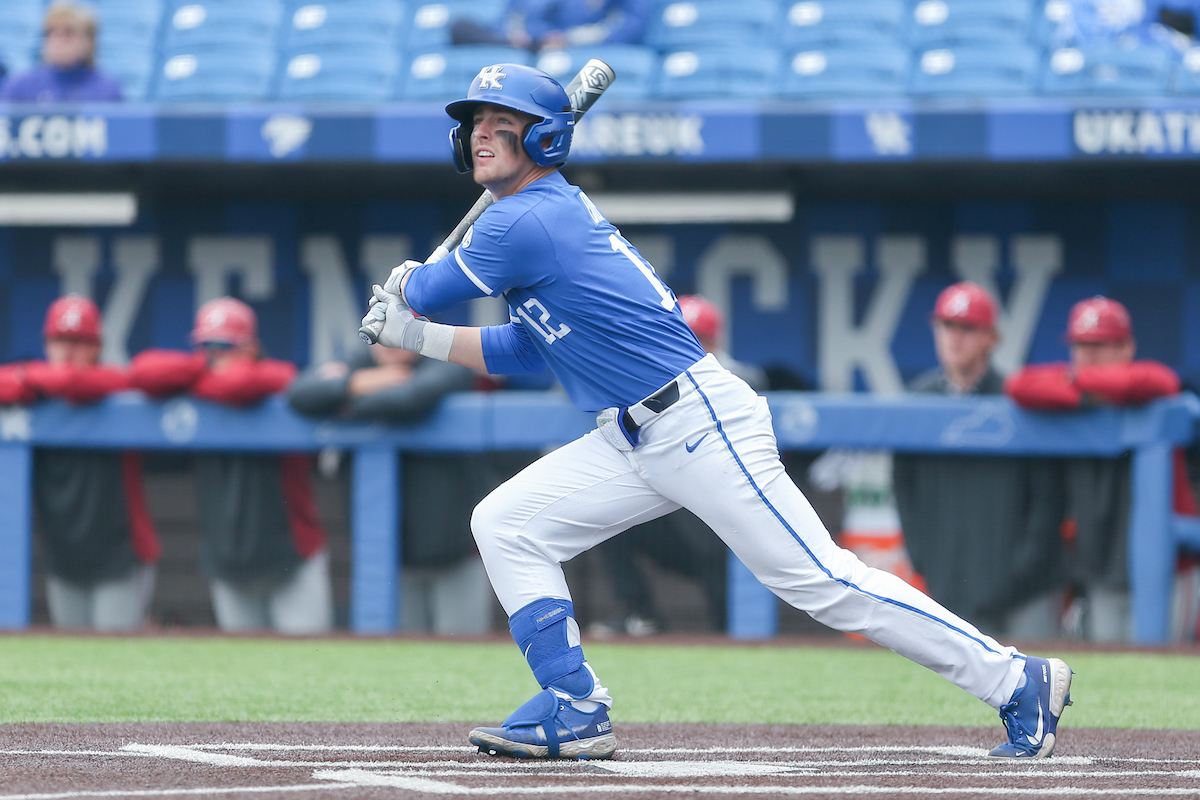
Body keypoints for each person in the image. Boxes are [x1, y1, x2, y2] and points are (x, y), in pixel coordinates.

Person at [362, 63, 1072, 761]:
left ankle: (1016, 678)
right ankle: (575, 706)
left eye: (501, 124)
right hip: (630, 436)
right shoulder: (531, 219)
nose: (482, 135)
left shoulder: (527, 218)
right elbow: (524, 350)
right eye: (476, 126)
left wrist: (408, 291)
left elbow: (429, 289)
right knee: (506, 522)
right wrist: (414, 336)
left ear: (543, 138)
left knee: (818, 581)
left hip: (697, 421)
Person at [128, 297, 333, 635]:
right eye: (206, 346)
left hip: (292, 558)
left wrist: (197, 378)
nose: (214, 355)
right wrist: (201, 369)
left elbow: (244, 384)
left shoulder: (274, 379)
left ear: (251, 347)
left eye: (224, 346)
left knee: (306, 669)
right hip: (229, 561)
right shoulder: (201, 378)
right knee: (245, 674)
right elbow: (141, 371)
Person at [1005, 296, 1196, 642]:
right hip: (1101, 569)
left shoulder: (1151, 394)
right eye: (1081, 345)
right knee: (1114, 674)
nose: (1088, 356)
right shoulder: (1067, 406)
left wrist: (1081, 385)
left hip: (1168, 570)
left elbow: (1161, 380)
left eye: (1099, 345)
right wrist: (1085, 392)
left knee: (1166, 674)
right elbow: (1019, 385)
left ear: (1126, 347)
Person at [892, 283, 1067, 640]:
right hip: (952, 592)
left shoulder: (1018, 399)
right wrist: (927, 563)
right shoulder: (917, 401)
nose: (954, 338)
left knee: (1037, 687)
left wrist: (1022, 572)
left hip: (1025, 592)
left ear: (991, 338)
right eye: (946, 326)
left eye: (967, 328)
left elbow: (1049, 499)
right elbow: (904, 491)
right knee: (956, 694)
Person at [287, 344, 497, 635]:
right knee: (402, 659)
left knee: (463, 652)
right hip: (394, 556)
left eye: (402, 333)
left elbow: (411, 399)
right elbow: (300, 394)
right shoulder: (359, 363)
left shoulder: (446, 361)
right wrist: (361, 382)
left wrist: (344, 402)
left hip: (455, 548)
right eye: (383, 334)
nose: (391, 343)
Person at [591, 295, 762, 636]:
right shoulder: (641, 374)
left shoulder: (738, 379)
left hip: (729, 525)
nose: (692, 344)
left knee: (730, 612)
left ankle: (735, 638)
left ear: (716, 341)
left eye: (701, 338)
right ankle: (638, 613)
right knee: (605, 514)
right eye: (684, 334)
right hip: (676, 522)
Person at [0, 296, 159, 630]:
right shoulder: (33, 391)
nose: (68, 350)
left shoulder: (113, 388)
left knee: (114, 661)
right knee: (74, 656)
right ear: (46, 343)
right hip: (64, 556)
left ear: (97, 346)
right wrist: (31, 379)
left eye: (79, 341)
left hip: (120, 554)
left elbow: (80, 382)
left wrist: (29, 377)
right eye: (60, 340)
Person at [0, 1, 123, 103]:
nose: (58, 40)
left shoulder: (107, 89)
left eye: (68, 33)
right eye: (51, 32)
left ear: (89, 42)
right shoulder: (20, 86)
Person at [452, 0, 651, 50]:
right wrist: (514, 35)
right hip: (524, 43)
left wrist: (568, 39)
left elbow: (627, 26)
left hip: (570, 46)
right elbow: (514, 13)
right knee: (459, 26)